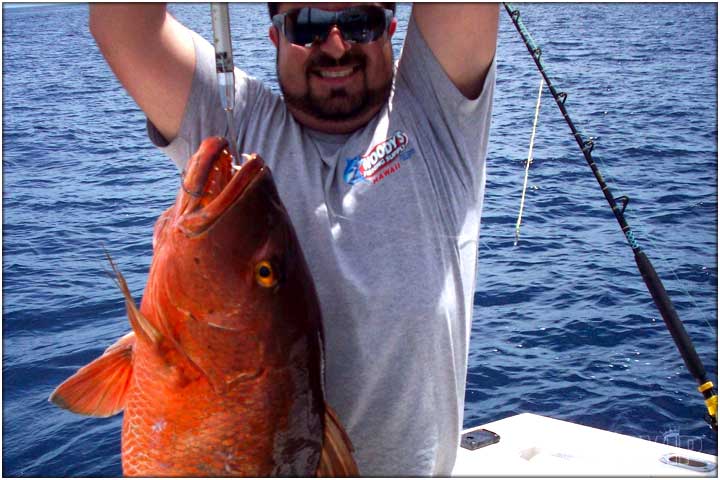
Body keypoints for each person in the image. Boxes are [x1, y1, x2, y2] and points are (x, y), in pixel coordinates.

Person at [89, 2, 498, 476]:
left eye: (361, 22)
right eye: (308, 25)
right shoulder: (234, 124)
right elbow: (122, 26)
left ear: (390, 27)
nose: (337, 44)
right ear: (276, 38)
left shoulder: (435, 117)